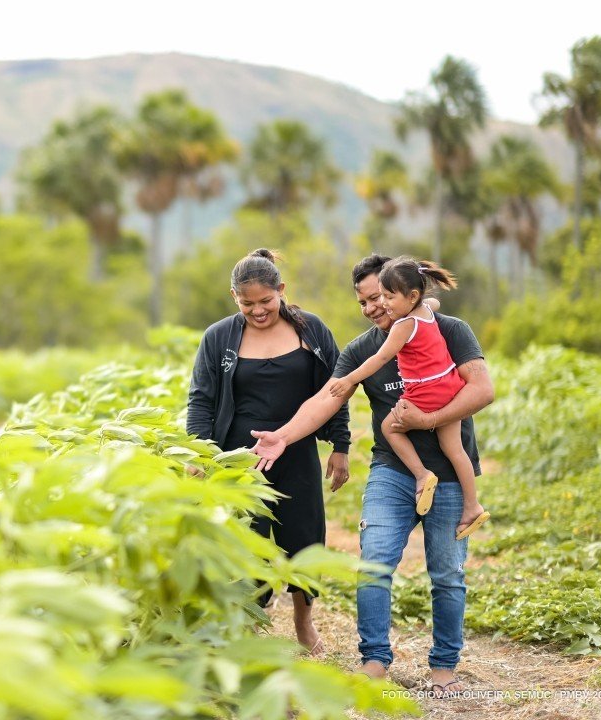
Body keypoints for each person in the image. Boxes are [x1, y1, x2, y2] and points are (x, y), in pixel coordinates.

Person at [248, 254, 494, 697]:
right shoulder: (363, 348)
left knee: (447, 575)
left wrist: (428, 418)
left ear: (401, 293)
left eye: (378, 297)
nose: (371, 308)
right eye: (363, 302)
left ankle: (444, 669)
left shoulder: (450, 330)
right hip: (392, 473)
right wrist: (283, 436)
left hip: (451, 476)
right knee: (374, 565)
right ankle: (374, 661)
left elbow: (483, 389)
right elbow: (328, 397)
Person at [186, 248, 351, 655]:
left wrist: (341, 445)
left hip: (296, 452)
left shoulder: (311, 330)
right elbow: (201, 400)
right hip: (238, 458)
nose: (258, 311)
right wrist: (199, 453)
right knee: (246, 538)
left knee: (304, 536)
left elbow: (337, 388)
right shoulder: (219, 336)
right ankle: (249, 623)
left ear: (282, 290)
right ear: (233, 297)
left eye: (266, 301)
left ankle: (303, 620)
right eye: (247, 304)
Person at [327, 257, 489, 540]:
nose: (383, 306)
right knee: (456, 450)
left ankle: (421, 475)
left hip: (424, 394)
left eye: (385, 297)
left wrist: (350, 379)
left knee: (391, 428)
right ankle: (472, 505)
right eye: (365, 302)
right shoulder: (426, 309)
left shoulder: (403, 326)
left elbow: (381, 357)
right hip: (448, 388)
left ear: (410, 296)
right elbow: (432, 303)